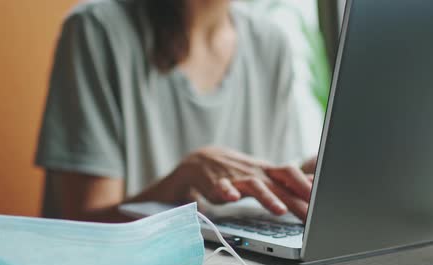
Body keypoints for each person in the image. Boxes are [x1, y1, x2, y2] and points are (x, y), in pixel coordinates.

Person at [36, 0, 322, 222]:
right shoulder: (96, 29)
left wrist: (308, 176)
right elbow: (82, 227)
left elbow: (270, 191)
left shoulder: (271, 43)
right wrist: (179, 183)